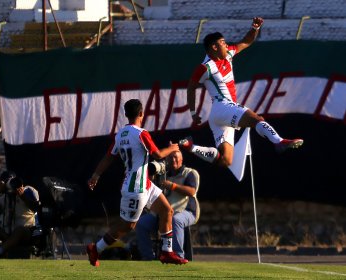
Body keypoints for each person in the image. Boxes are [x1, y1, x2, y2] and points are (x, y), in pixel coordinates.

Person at [179, 17, 304, 167]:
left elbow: (246, 41)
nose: (226, 45)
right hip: (223, 107)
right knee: (257, 119)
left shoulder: (228, 54)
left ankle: (190, 146)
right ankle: (280, 142)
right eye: (223, 43)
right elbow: (191, 87)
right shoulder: (206, 67)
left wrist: (255, 28)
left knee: (226, 161)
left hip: (219, 115)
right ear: (214, 47)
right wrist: (193, 113)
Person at [86, 98, 188, 266]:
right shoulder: (141, 133)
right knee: (128, 226)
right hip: (136, 188)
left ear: (126, 114)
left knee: (167, 211)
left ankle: (167, 253)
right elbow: (157, 155)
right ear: (141, 113)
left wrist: (96, 175)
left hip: (144, 184)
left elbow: (108, 157)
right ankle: (96, 248)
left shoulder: (120, 135)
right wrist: (172, 148)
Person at [136, 150, 200, 260]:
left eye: (175, 157)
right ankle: (148, 258)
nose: (173, 160)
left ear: (181, 159)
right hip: (162, 214)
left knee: (176, 220)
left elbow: (192, 191)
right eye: (170, 158)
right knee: (141, 223)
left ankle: (177, 255)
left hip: (186, 212)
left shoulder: (189, 173)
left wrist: (172, 186)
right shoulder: (162, 175)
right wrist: (150, 175)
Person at [0, 171, 41, 259]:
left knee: (19, 230)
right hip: (8, 233)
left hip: (26, 232)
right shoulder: (1, 197)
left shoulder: (28, 191)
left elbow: (36, 208)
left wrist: (22, 196)